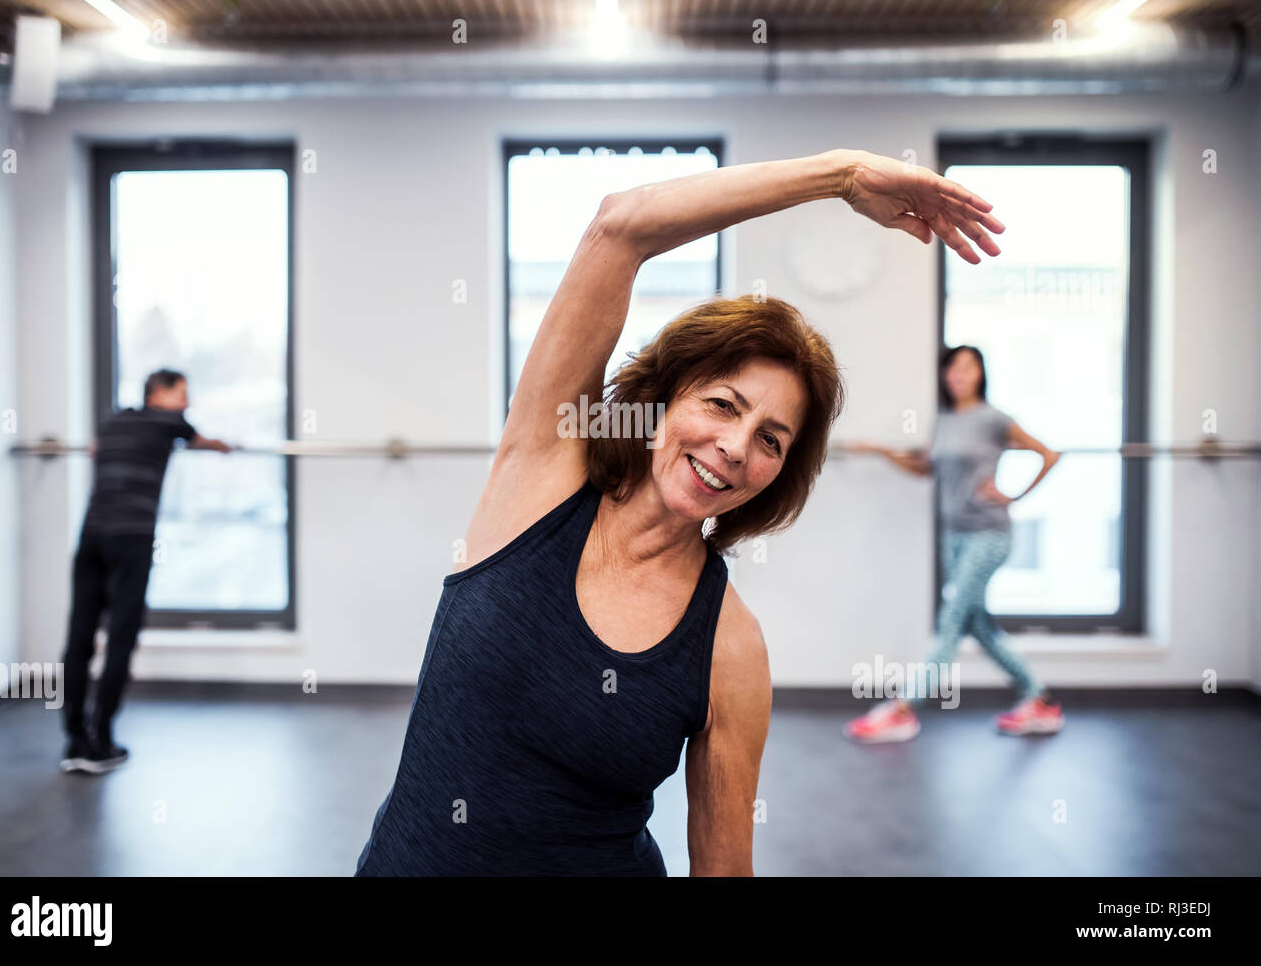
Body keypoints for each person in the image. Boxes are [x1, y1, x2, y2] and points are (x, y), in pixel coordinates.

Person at [354, 149, 1005, 876]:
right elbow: (620, 227)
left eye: (769, 439)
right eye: (721, 404)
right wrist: (840, 176)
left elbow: (724, 868)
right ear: (663, 401)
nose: (733, 447)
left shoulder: (730, 647)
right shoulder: (543, 473)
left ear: (779, 474)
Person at [844, 345, 1063, 743]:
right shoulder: (944, 421)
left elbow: (1048, 455)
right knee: (976, 626)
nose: (959, 374)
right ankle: (1040, 700)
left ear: (980, 373)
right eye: (953, 368)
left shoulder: (994, 419)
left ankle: (903, 710)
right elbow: (927, 466)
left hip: (989, 534)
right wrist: (879, 450)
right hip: (953, 536)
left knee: (948, 623)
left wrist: (1013, 495)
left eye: (968, 366)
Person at [59, 369, 235, 774]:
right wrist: (228, 446)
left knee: (79, 637)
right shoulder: (171, 423)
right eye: (181, 394)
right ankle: (101, 741)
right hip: (131, 537)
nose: (187, 403)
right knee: (122, 633)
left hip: (92, 535)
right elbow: (206, 442)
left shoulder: (115, 420)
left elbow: (94, 449)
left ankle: (73, 740)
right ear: (158, 393)